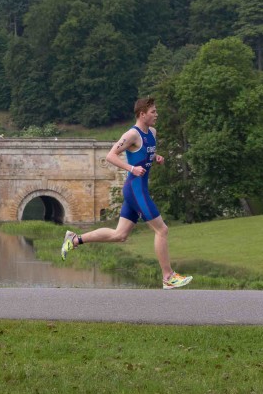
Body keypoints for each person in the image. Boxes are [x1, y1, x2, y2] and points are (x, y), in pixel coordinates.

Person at [60, 97, 191, 290]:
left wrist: (155, 157)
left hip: (139, 188)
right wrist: (131, 168)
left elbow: (145, 151)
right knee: (161, 230)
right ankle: (168, 276)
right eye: (153, 112)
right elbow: (110, 155)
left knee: (120, 235)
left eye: (156, 111)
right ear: (142, 114)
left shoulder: (152, 132)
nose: (157, 114)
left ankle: (75, 240)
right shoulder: (132, 134)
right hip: (135, 188)